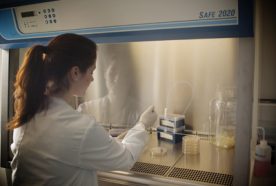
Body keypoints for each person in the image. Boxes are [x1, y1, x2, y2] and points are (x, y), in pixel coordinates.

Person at [8, 33, 157, 186]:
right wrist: (143, 125)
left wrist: (112, 141)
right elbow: (126, 159)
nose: (92, 78)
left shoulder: (28, 112)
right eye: (91, 71)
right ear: (75, 73)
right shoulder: (79, 128)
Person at [78, 49, 140, 136]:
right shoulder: (87, 109)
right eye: (113, 72)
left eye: (122, 74)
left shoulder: (139, 111)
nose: (117, 80)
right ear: (105, 76)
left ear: (129, 79)